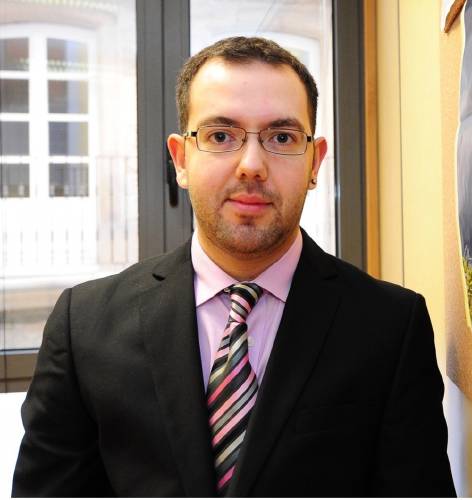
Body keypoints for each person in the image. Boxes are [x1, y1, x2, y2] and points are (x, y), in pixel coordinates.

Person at [12, 36, 456, 497]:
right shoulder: (83, 326)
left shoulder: (390, 328)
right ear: (181, 159)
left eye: (281, 138)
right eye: (221, 136)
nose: (251, 165)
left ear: (314, 161)